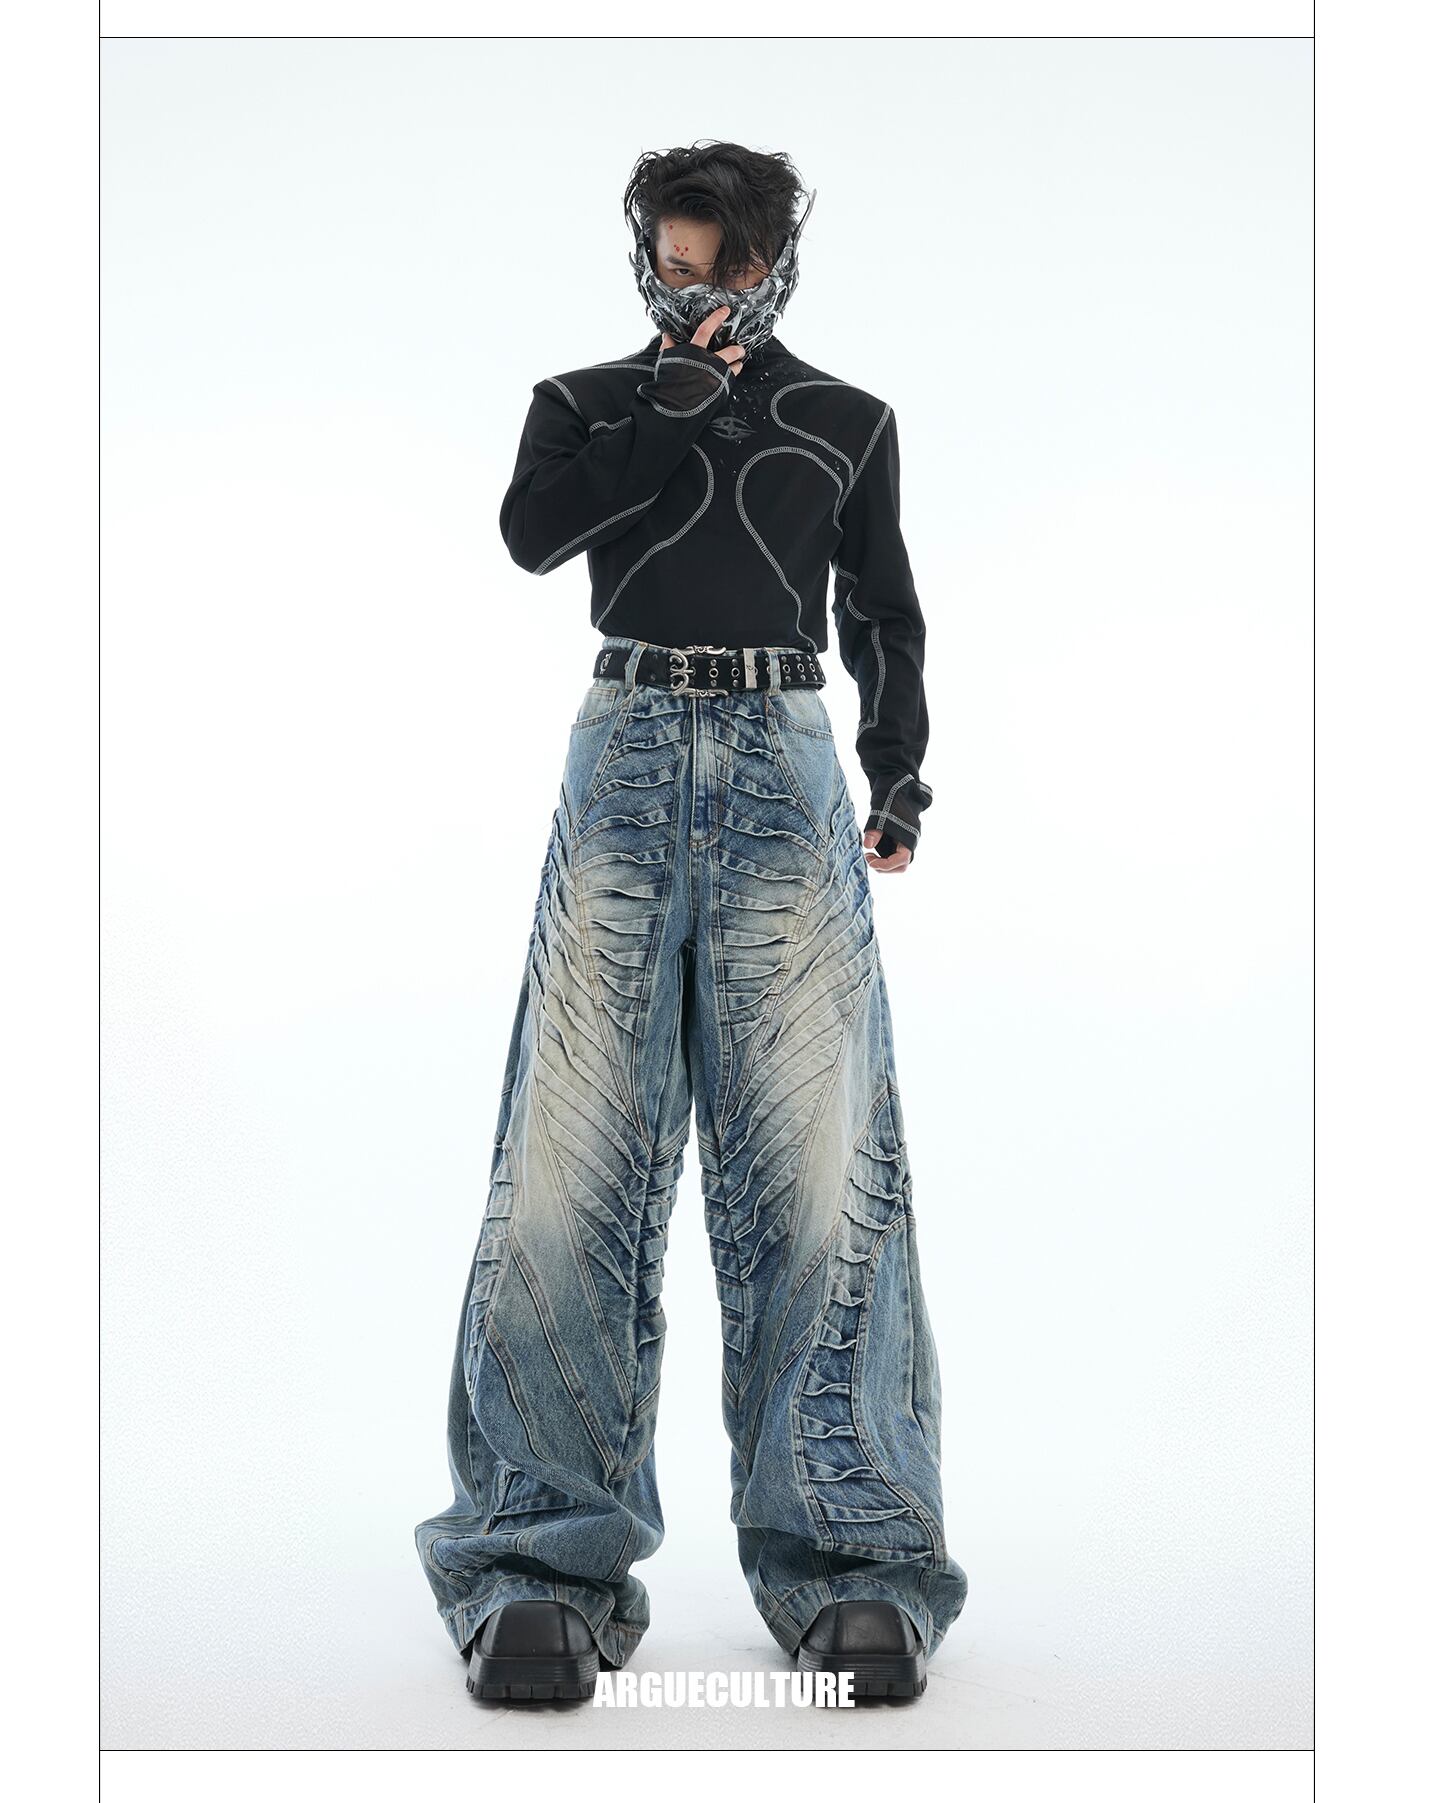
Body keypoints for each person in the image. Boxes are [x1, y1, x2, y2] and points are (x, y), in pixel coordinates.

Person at [415, 140, 967, 1705]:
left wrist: (901, 774)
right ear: (642, 259)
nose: (696, 292)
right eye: (672, 264)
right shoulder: (584, 402)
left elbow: (882, 607)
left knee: (818, 1159)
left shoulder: (846, 419)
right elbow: (535, 537)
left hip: (788, 754)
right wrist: (664, 408)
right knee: (571, 1153)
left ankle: (857, 1564)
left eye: (725, 269)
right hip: (630, 744)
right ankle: (535, 1563)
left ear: (776, 266)